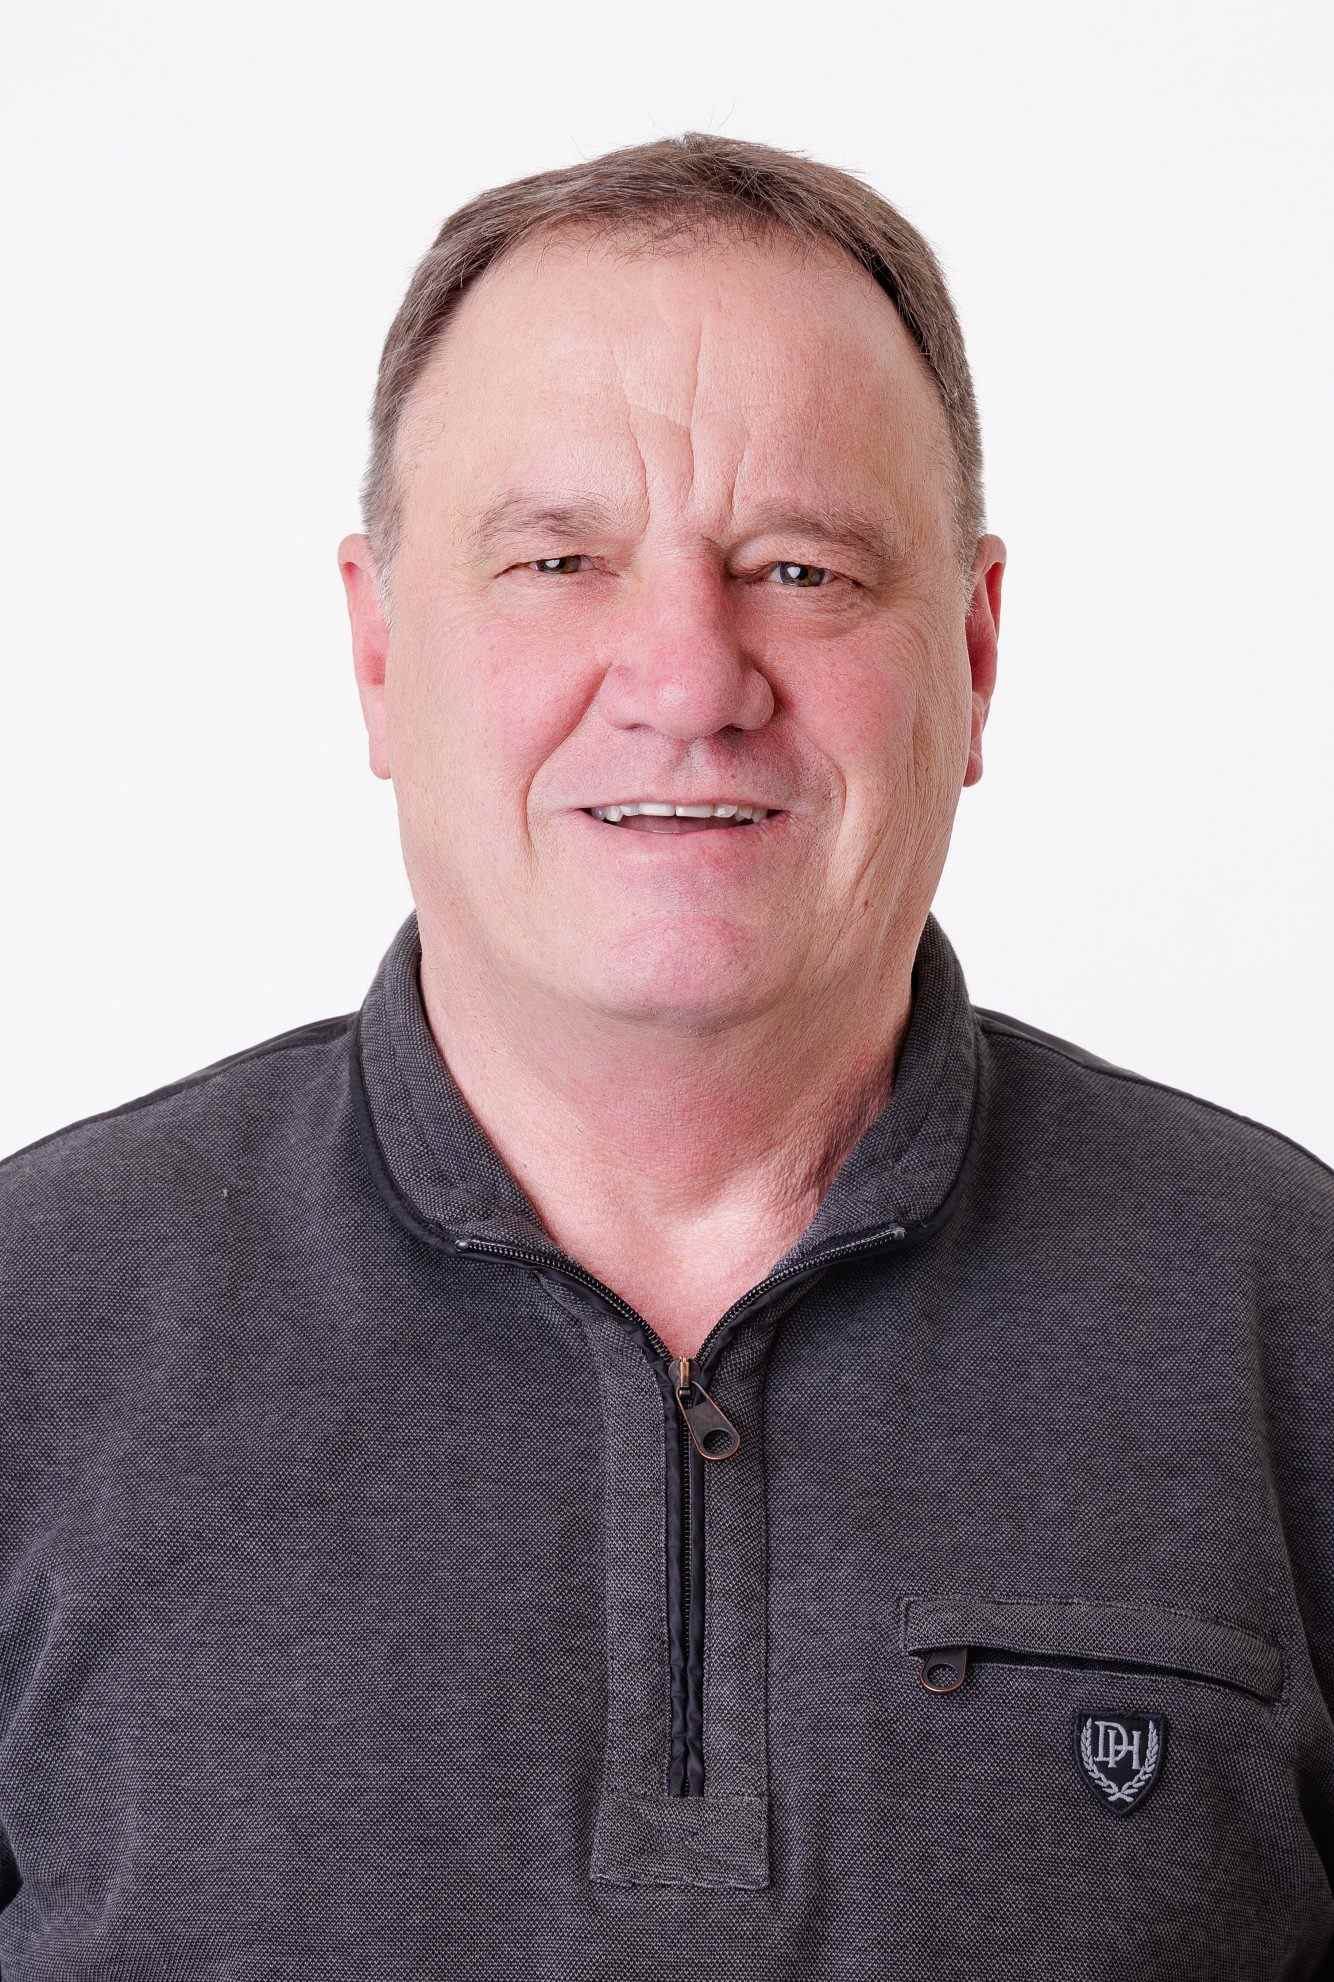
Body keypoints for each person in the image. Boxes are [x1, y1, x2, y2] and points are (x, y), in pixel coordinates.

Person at [2, 130, 1331, 1981]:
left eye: (800, 567)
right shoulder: (34, 1321)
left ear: (972, 650)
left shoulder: (1292, 1313)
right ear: (378, 652)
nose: (690, 679)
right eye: (557, 560)